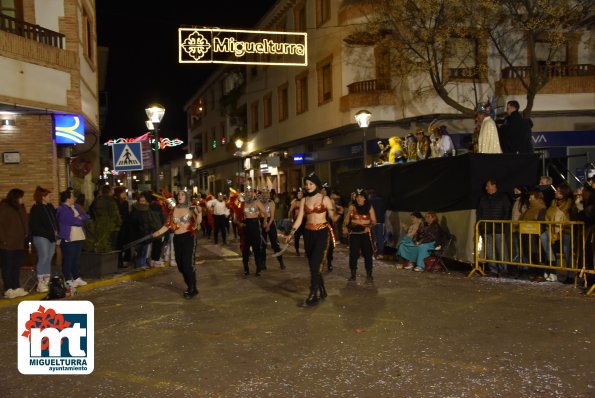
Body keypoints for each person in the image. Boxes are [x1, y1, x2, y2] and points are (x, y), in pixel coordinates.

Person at [288, 173, 339, 306]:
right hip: (308, 233)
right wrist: (291, 233)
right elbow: (299, 219)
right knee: (313, 265)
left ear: (316, 184)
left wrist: (340, 213)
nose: (308, 186)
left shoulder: (325, 199)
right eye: (306, 184)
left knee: (315, 265)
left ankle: (313, 295)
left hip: (322, 233)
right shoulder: (304, 200)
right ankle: (322, 289)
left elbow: (333, 218)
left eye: (311, 183)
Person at [152, 190, 202, 299]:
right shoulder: (173, 210)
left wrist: (200, 213)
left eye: (183, 194)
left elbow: (198, 222)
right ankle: (190, 286)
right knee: (181, 266)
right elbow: (167, 225)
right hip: (177, 238)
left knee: (188, 265)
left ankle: (192, 289)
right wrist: (158, 232)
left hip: (189, 237)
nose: (180, 196)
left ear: (187, 196)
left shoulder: (191, 207)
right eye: (179, 194)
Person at [476, 179, 511, 277]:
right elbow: (479, 213)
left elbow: (507, 211)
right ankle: (493, 270)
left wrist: (502, 224)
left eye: (487, 186)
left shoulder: (503, 197)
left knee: (502, 250)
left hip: (499, 228)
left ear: (494, 185)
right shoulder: (483, 198)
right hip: (486, 228)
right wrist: (480, 225)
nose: (486, 188)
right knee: (490, 250)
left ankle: (504, 270)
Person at [540, 184, 574, 282]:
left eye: (558, 191)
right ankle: (552, 271)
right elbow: (549, 213)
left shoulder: (569, 202)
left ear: (564, 193)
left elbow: (563, 213)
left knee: (567, 252)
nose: (556, 192)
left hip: (565, 230)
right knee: (550, 249)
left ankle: (570, 275)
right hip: (552, 230)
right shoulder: (553, 202)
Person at [0, 188, 30, 299]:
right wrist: (3, 239)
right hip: (7, 244)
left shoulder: (20, 208)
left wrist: (26, 234)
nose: (23, 199)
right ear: (16, 197)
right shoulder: (5, 208)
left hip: (19, 243)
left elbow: (24, 221)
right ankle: (8, 289)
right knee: (7, 267)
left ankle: (16, 286)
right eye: (21, 197)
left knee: (16, 266)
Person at [56, 189, 89, 288]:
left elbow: (85, 216)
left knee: (76, 258)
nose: (74, 198)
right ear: (67, 198)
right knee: (68, 259)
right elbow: (70, 220)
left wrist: (80, 219)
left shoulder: (77, 206)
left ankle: (76, 277)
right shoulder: (62, 209)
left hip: (79, 236)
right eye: (72, 196)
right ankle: (68, 279)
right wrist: (79, 220)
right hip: (69, 237)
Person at [342, 189, 377, 281]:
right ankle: (353, 274)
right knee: (353, 254)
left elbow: (374, 221)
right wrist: (345, 227)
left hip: (365, 234)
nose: (358, 198)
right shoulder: (352, 207)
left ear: (365, 198)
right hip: (354, 233)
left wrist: (369, 226)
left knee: (368, 254)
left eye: (361, 197)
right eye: (357, 197)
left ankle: (369, 273)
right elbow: (346, 220)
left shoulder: (369, 207)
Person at [29, 186, 58, 292]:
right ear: (43, 197)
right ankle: (40, 283)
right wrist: (49, 233)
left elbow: (54, 221)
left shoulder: (50, 207)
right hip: (41, 237)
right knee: (43, 257)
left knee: (49, 257)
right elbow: (35, 226)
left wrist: (56, 233)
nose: (51, 197)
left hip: (51, 237)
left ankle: (46, 281)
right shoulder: (36, 208)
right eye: (49, 196)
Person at [130, 192, 162, 269]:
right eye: (141, 201)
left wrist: (151, 228)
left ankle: (142, 263)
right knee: (140, 249)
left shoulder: (148, 209)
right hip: (139, 232)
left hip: (146, 232)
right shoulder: (135, 209)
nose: (142, 202)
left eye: (144, 201)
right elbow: (134, 221)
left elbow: (150, 220)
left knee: (145, 249)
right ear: (138, 201)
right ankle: (140, 264)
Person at [241, 187, 268, 276]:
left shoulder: (257, 202)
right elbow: (238, 214)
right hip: (246, 226)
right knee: (245, 249)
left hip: (255, 226)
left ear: (253, 193)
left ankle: (258, 268)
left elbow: (265, 212)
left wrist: (264, 222)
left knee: (256, 248)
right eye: (247, 192)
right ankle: (246, 268)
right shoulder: (242, 203)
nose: (249, 193)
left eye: (250, 192)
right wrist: (238, 222)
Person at [89, 185, 121, 249]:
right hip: (111, 227)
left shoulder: (96, 201)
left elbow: (92, 213)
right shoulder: (111, 201)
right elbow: (115, 215)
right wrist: (118, 224)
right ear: (109, 192)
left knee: (103, 245)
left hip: (99, 226)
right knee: (112, 246)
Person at [260, 188, 285, 270]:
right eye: (263, 193)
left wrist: (268, 226)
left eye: (266, 193)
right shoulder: (259, 202)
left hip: (270, 222)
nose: (265, 195)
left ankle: (280, 261)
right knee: (262, 245)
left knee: (275, 244)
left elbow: (272, 216)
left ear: (269, 194)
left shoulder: (271, 203)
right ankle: (263, 263)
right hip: (262, 222)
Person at [114, 186, 131, 268]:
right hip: (118, 227)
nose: (124, 194)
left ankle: (125, 260)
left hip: (125, 226)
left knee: (125, 243)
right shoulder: (115, 202)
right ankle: (119, 261)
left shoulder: (125, 203)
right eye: (123, 192)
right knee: (119, 244)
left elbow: (127, 215)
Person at [368, 189, 386, 259]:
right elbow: (384, 210)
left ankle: (373, 253)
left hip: (372, 221)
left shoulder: (370, 201)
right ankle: (380, 253)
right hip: (380, 221)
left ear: (370, 194)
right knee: (380, 238)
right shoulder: (382, 200)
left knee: (372, 237)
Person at [288, 188, 305, 256]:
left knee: (306, 236)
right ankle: (297, 249)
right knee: (297, 236)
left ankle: (307, 250)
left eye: (301, 193)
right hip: (296, 220)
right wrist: (290, 219)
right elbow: (290, 211)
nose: (299, 195)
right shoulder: (295, 202)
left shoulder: (305, 201)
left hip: (304, 220)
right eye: (298, 193)